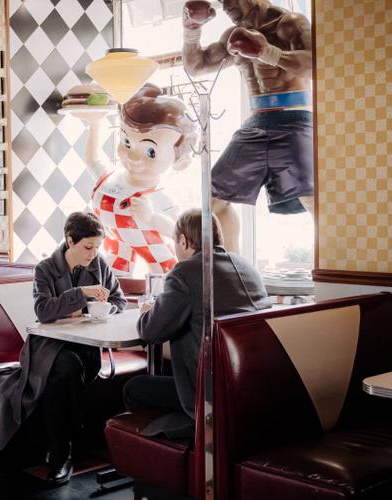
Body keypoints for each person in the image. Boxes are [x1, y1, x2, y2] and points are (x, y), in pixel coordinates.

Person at [0, 212, 126, 485]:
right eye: (88, 247)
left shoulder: (99, 264)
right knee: (67, 368)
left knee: (73, 368)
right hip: (48, 346)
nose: (93, 254)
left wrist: (98, 311)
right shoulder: (45, 269)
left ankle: (65, 447)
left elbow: (119, 301)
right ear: (70, 241)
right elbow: (43, 311)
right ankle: (61, 452)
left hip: (86, 344)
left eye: (97, 247)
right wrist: (82, 294)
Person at [123, 209, 272, 438]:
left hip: (209, 394)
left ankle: (186, 436)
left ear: (183, 241)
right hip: (252, 388)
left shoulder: (185, 273)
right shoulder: (247, 267)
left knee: (133, 388)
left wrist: (147, 312)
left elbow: (150, 332)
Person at [183, 0, 313, 253]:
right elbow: (196, 66)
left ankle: (333, 267)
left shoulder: (289, 23)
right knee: (212, 201)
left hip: (295, 117)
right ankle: (231, 268)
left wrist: (267, 52)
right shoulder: (233, 35)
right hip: (257, 121)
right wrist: (190, 29)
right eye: (222, 1)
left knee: (313, 198)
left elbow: (315, 65)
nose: (226, 5)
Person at [83, 83, 198, 276]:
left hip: (160, 264)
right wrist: (95, 123)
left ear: (180, 160)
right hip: (116, 256)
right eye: (126, 141)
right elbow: (93, 160)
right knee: (113, 281)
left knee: (161, 282)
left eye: (151, 151)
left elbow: (180, 234)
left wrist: (152, 218)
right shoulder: (110, 179)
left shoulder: (160, 196)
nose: (133, 156)